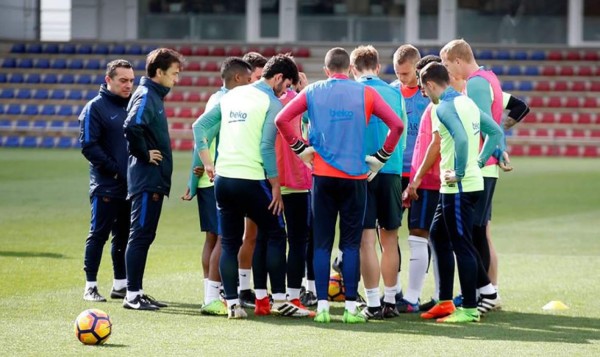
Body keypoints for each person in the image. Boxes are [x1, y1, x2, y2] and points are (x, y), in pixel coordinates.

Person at [276, 47, 404, 324]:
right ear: (349, 69)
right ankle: (349, 307)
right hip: (355, 179)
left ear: (326, 70)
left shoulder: (313, 91)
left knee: (321, 243)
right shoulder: (366, 93)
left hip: (321, 178)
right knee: (350, 244)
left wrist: (300, 149)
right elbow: (397, 126)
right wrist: (381, 157)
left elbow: (281, 119)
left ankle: (322, 306)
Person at [193, 54, 311, 319]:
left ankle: (233, 304)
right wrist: (276, 186)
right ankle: (280, 301)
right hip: (251, 179)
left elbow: (198, 126)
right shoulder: (270, 101)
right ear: (279, 78)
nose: (286, 92)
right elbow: (267, 147)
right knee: (278, 234)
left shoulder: (231, 95)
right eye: (287, 86)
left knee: (231, 241)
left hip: (223, 179)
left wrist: (207, 163)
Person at [440, 39, 528, 312]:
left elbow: (478, 126)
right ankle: (487, 290)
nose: (446, 71)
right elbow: (498, 121)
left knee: (472, 232)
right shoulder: (490, 77)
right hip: (488, 165)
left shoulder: (476, 83)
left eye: (445, 64)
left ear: (457, 60)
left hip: (478, 167)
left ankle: (484, 293)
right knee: (479, 230)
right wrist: (501, 150)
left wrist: (477, 160)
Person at [417, 62, 504, 323]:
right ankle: (445, 301)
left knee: (462, 245)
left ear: (431, 84)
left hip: (459, 187)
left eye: (424, 88)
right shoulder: (466, 103)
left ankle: (468, 308)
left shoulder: (442, 107)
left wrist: (461, 172)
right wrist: (478, 163)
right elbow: (495, 131)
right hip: (462, 186)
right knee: (437, 236)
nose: (425, 93)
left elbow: (462, 139)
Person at [181, 57, 252, 315]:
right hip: (216, 179)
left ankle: (211, 292)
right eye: (248, 79)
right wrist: (208, 168)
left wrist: (193, 179)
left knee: (214, 237)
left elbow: (198, 142)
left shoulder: (216, 98)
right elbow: (202, 136)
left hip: (206, 180)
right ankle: (212, 297)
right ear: (237, 79)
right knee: (225, 237)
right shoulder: (226, 103)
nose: (251, 84)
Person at [122, 48, 184, 310]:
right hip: (147, 178)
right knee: (140, 234)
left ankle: (137, 290)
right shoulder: (147, 95)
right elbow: (131, 126)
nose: (176, 79)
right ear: (159, 72)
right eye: (174, 74)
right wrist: (144, 153)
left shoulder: (153, 95)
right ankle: (132, 295)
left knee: (145, 235)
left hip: (152, 179)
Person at [348, 45, 407, 320]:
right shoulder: (394, 92)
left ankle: (372, 302)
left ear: (352, 68)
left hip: (361, 171)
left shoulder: (352, 93)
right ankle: (391, 300)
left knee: (366, 240)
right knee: (390, 237)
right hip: (391, 169)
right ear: (378, 66)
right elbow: (401, 133)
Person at [253, 71, 314, 315]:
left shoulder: (261, 100)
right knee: (298, 241)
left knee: (263, 239)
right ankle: (293, 298)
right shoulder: (299, 101)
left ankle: (261, 299)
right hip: (297, 179)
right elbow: (313, 126)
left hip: (266, 178)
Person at [78, 59, 135, 302]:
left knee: (123, 235)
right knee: (98, 234)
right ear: (108, 80)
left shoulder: (132, 105)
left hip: (129, 185)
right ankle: (90, 286)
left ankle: (120, 285)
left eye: (131, 81)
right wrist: (116, 171)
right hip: (105, 185)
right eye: (123, 80)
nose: (128, 85)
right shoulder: (95, 107)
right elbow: (89, 146)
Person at [400, 55, 444, 313]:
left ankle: (412, 298)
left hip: (429, 181)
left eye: (421, 81)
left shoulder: (437, 107)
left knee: (419, 234)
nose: (420, 89)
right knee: (436, 238)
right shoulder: (447, 104)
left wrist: (415, 180)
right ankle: (441, 295)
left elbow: (434, 145)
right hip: (432, 179)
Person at [390, 44, 431, 300]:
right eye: (397, 72)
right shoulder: (390, 92)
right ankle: (393, 291)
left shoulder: (428, 95)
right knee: (389, 231)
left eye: (405, 74)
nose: (400, 78)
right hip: (392, 172)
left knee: (418, 234)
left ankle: (413, 298)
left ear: (417, 69)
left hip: (421, 174)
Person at [234, 51, 268, 308]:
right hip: (240, 174)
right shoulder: (231, 100)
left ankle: (249, 288)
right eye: (256, 77)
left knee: (255, 235)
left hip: (258, 174)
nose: (259, 83)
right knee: (242, 236)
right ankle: (238, 288)